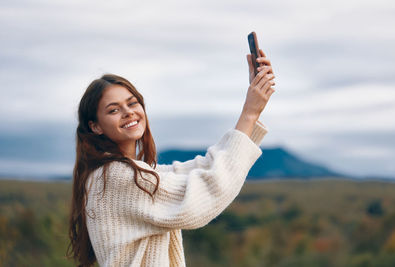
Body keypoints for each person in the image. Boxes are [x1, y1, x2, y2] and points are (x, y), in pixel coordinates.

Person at [67, 50, 275, 267]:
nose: (128, 112)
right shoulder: (116, 177)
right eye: (113, 110)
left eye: (132, 103)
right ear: (95, 126)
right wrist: (248, 113)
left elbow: (202, 169)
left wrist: (253, 110)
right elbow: (206, 192)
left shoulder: (126, 173)